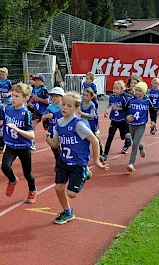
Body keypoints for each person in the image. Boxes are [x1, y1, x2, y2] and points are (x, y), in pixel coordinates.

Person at [44, 91, 109, 225]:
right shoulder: (58, 123)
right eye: (63, 105)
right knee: (58, 188)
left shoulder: (78, 124)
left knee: (72, 194)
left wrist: (96, 161)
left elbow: (94, 141)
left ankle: (85, 171)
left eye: (69, 106)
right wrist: (48, 140)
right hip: (64, 160)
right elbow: (56, 144)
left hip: (78, 163)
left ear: (76, 109)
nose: (64, 108)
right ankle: (68, 212)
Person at [1, 83, 37, 204]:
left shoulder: (26, 113)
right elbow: (6, 121)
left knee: (27, 173)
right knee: (4, 167)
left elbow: (32, 135)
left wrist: (17, 129)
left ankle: (32, 189)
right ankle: (12, 180)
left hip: (23, 147)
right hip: (11, 145)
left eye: (17, 96)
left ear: (25, 98)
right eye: (13, 95)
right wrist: (3, 129)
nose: (13, 98)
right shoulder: (8, 109)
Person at [124, 82, 154, 172]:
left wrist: (153, 121)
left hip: (141, 125)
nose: (137, 92)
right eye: (136, 90)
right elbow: (124, 110)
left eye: (139, 90)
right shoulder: (130, 100)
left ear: (144, 92)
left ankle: (131, 163)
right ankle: (141, 146)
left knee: (134, 144)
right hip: (131, 124)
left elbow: (152, 111)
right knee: (135, 141)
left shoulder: (147, 101)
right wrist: (127, 116)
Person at [102, 80, 132, 161]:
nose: (114, 90)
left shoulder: (123, 97)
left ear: (121, 90)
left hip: (122, 121)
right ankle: (105, 154)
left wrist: (118, 108)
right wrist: (106, 110)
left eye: (117, 88)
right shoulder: (111, 97)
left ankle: (127, 143)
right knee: (110, 137)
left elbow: (126, 108)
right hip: (114, 120)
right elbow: (110, 103)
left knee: (123, 136)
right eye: (114, 88)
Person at [78, 87, 105, 165]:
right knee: (83, 139)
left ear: (91, 97)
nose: (85, 97)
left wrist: (83, 114)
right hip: (84, 124)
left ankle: (100, 148)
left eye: (87, 95)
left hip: (92, 124)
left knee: (94, 138)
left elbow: (92, 116)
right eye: (84, 95)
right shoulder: (82, 103)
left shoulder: (91, 105)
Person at [41, 87, 65, 162]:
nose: (54, 98)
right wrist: (46, 116)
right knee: (55, 149)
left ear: (62, 97)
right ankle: (59, 163)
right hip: (52, 131)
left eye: (57, 96)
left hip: (63, 131)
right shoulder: (50, 107)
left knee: (65, 147)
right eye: (53, 96)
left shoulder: (64, 107)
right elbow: (42, 118)